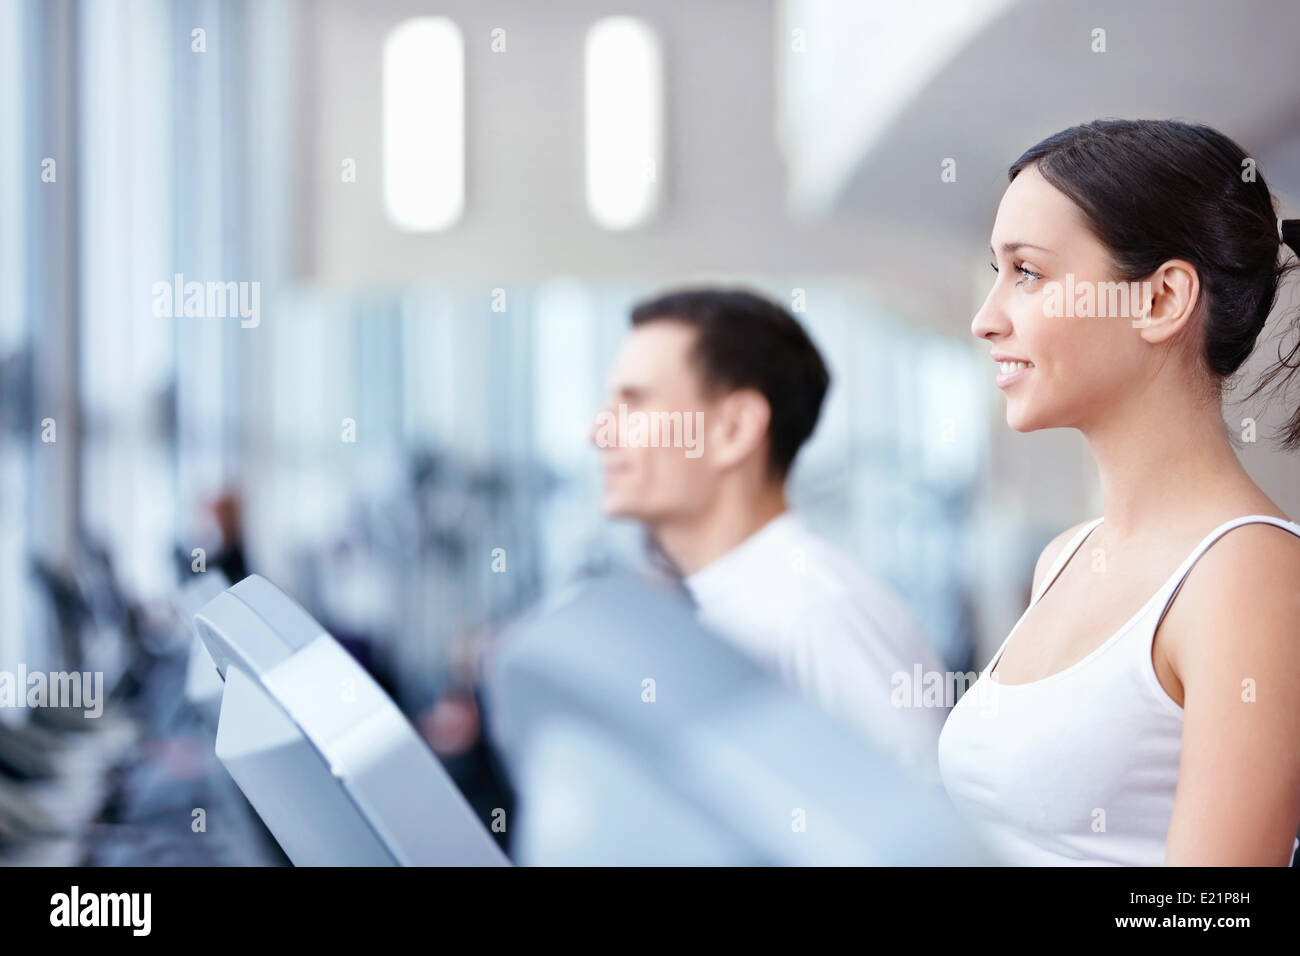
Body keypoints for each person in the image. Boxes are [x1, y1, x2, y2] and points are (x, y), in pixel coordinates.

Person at [940, 119, 1300, 866]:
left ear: (1162, 299)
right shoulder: (1065, 556)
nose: (986, 318)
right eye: (995, 273)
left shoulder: (1251, 577)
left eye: (1028, 274)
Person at [592, 288, 946, 775]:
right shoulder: (705, 606)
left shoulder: (820, 611)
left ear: (734, 429)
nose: (599, 432)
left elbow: (921, 837)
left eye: (634, 402)